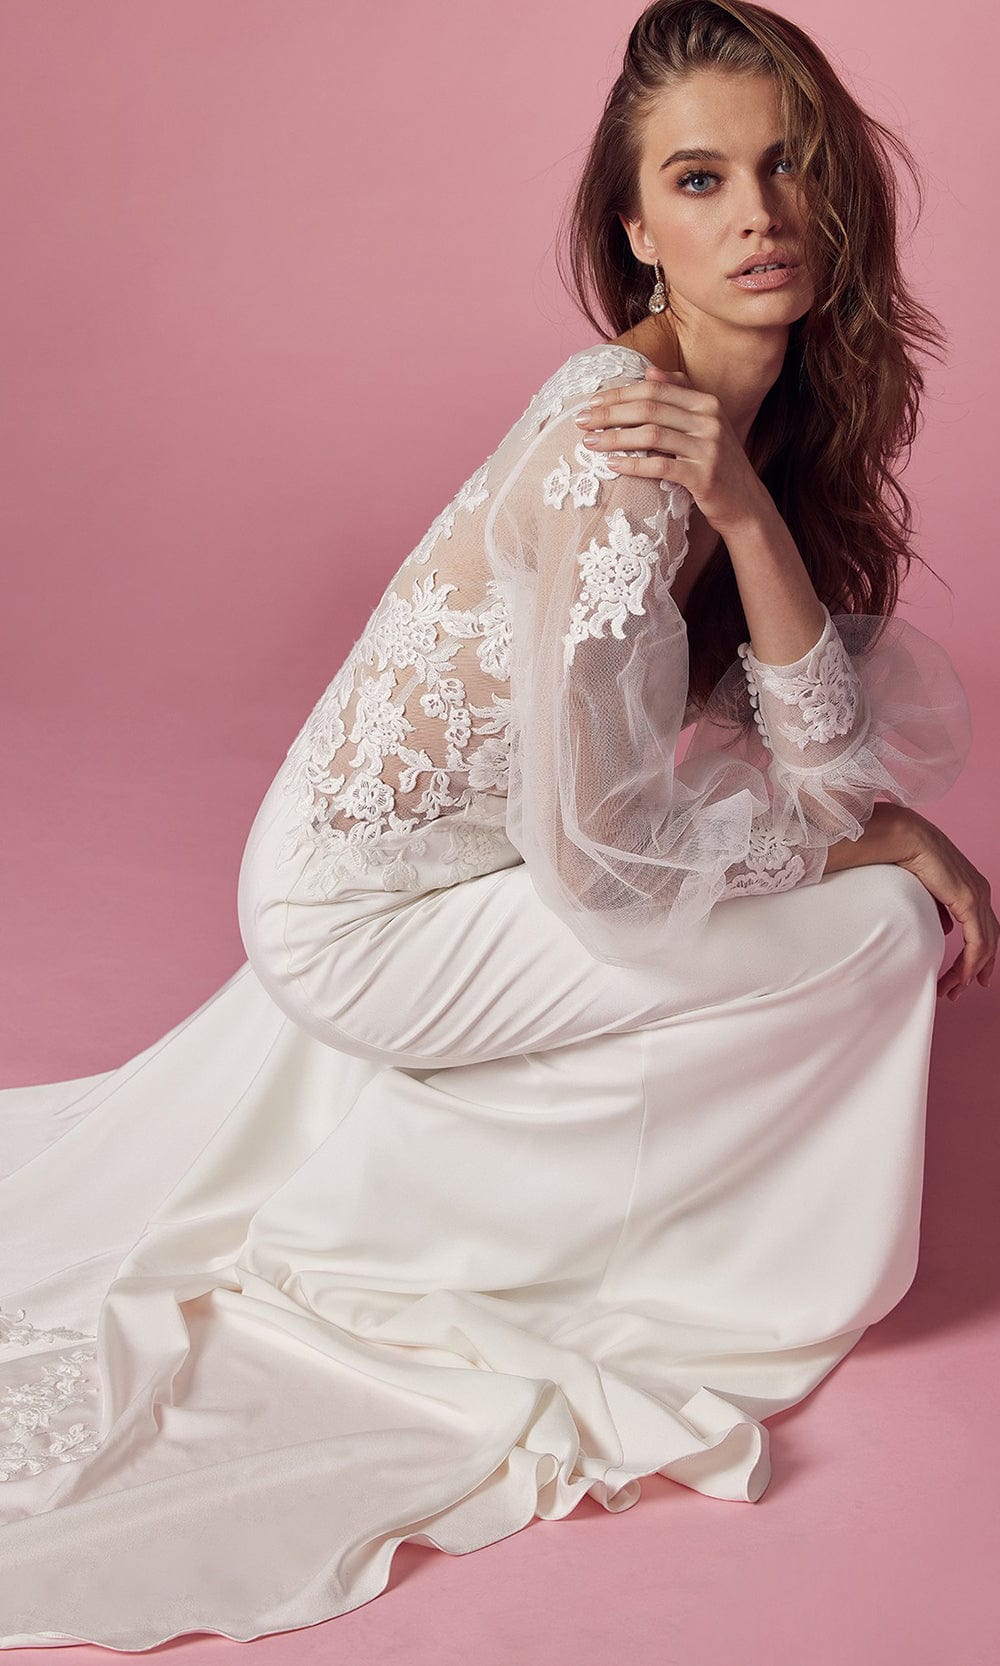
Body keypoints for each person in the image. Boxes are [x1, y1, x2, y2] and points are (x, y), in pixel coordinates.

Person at [1, 0, 994, 1650]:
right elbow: (609, 858)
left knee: (851, 887)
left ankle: (615, 1210)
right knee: (874, 919)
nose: (758, 214)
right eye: (699, 180)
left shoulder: (741, 430)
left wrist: (750, 512)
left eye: (789, 166)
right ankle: (561, 1250)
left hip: (476, 868)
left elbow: (816, 768)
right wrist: (880, 842)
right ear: (638, 230)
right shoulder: (619, 436)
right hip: (362, 920)